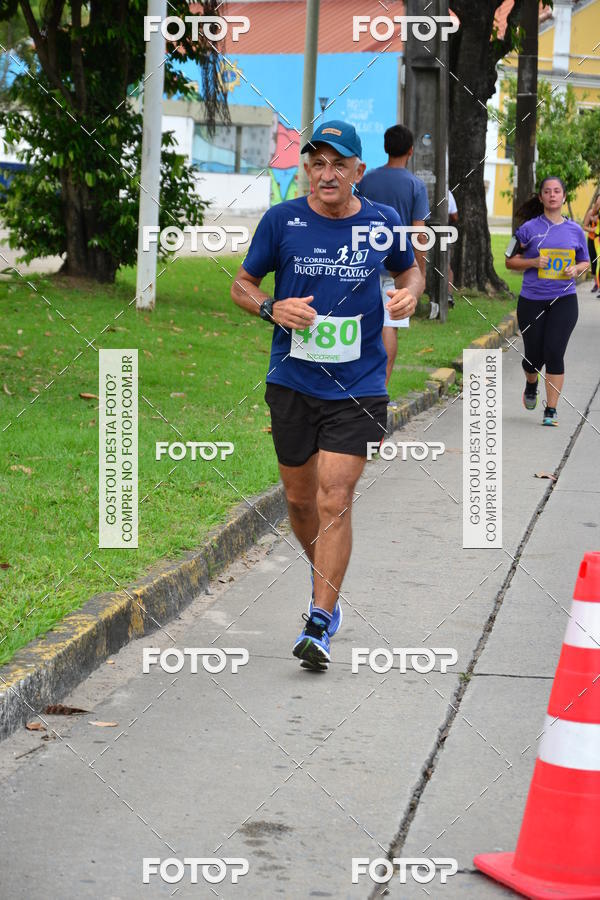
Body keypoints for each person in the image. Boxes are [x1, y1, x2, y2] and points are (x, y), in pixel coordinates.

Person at [231, 120, 423, 670]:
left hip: (358, 384)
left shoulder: (382, 222)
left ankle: (320, 620)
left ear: (359, 171)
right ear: (306, 170)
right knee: (299, 501)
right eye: (316, 163)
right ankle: (327, 584)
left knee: (334, 498)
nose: (326, 174)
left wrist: (408, 296)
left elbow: (410, 273)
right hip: (293, 380)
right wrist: (271, 307)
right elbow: (241, 285)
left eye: (338, 164)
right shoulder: (282, 220)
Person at [506, 176, 589, 426]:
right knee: (533, 357)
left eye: (557, 191)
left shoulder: (575, 230)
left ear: (564, 197)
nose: (552, 195)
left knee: (554, 352)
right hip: (531, 300)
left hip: (564, 299)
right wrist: (532, 262)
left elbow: (585, 261)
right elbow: (509, 260)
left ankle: (551, 410)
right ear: (541, 197)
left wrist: (577, 269)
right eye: (547, 191)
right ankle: (531, 384)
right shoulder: (527, 229)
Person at [357, 124, 430, 382]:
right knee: (389, 325)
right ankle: (381, 386)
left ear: (386, 148)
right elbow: (419, 233)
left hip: (362, 264)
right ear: (410, 151)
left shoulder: (366, 181)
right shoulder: (415, 186)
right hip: (396, 267)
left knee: (360, 324)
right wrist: (418, 271)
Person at [583, 194, 600, 294]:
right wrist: (593, 229)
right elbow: (584, 227)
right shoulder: (591, 212)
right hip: (592, 239)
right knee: (594, 261)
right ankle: (596, 283)